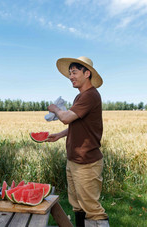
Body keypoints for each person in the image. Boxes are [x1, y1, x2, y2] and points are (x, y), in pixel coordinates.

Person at [47, 56, 109, 227]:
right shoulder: (80, 97)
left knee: (93, 210)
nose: (70, 77)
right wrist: (59, 135)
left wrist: (55, 109)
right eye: (69, 73)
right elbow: (79, 126)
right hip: (74, 160)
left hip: (87, 162)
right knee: (77, 206)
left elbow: (66, 118)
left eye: (74, 72)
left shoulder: (91, 95)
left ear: (87, 73)